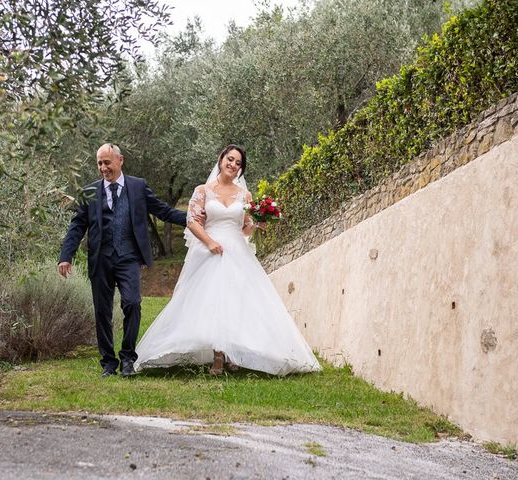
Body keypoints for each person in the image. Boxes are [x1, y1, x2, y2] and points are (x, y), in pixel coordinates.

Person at [134, 145, 322, 376]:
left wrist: (256, 224)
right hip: (209, 250)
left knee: (237, 301)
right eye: (230, 159)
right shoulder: (202, 190)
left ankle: (233, 352)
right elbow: (192, 221)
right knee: (213, 301)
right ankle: (218, 357)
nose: (233, 165)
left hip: (236, 251)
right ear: (221, 160)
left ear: (241, 169)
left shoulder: (245, 195)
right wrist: (210, 242)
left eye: (238, 163)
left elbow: (243, 228)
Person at [58, 143, 189, 378]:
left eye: (107, 162)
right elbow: (77, 226)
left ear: (120, 160)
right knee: (102, 312)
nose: (103, 167)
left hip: (128, 257)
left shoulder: (137, 187)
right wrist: (65, 256)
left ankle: (128, 358)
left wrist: (193, 219)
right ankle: (108, 363)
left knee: (132, 303)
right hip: (100, 260)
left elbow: (163, 211)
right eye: (99, 163)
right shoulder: (89, 192)